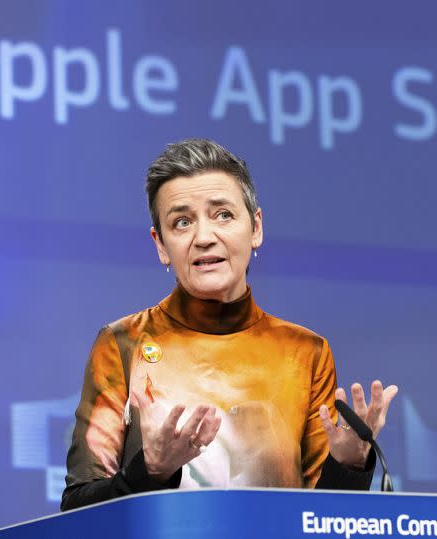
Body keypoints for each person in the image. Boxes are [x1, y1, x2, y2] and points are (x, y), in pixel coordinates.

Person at [61, 139, 398, 510]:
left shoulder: (305, 352)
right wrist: (151, 471)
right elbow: (78, 507)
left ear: (255, 228)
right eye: (182, 222)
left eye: (223, 215)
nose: (204, 237)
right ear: (160, 245)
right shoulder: (124, 343)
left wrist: (350, 463)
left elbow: (322, 521)